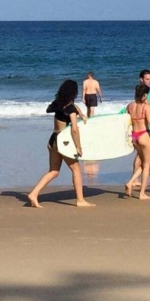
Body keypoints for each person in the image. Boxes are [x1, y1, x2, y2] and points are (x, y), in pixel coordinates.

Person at [26, 79, 94, 208]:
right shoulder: (70, 108)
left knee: (54, 171)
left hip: (53, 140)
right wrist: (78, 147)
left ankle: (33, 194)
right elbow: (74, 128)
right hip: (64, 142)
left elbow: (69, 107)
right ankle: (80, 200)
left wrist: (80, 113)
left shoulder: (57, 104)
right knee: (76, 169)